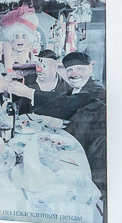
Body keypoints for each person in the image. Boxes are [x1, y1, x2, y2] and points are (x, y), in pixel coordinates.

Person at [26, 50, 109, 195]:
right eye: (70, 70)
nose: (74, 74)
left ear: (90, 69)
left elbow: (68, 104)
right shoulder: (74, 91)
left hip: (91, 166)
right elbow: (63, 104)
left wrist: (28, 93)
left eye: (79, 69)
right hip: (76, 151)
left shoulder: (97, 91)